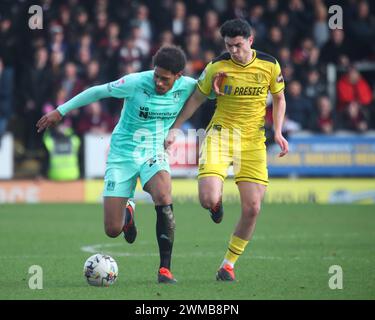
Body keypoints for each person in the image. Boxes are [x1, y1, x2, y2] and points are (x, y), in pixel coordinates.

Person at [36, 46, 198, 284]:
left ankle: (165, 269)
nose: (159, 83)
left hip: (154, 150)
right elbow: (97, 92)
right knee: (112, 229)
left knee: (164, 195)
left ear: (178, 76)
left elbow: (212, 88)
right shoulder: (135, 82)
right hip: (122, 154)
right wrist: (61, 111)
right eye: (156, 76)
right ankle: (128, 213)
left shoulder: (189, 86)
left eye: (165, 79)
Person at [165, 19, 289, 281]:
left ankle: (228, 265)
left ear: (250, 41)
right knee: (207, 199)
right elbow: (197, 97)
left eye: (238, 45)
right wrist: (175, 128)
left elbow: (279, 98)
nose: (233, 51)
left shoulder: (269, 64)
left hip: (253, 142)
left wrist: (277, 131)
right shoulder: (216, 66)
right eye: (229, 46)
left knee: (253, 208)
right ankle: (216, 203)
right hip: (220, 136)